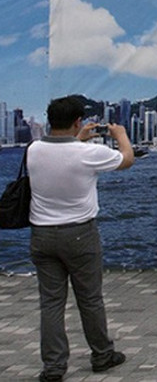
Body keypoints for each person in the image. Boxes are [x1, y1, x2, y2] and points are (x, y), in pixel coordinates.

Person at [28, 96, 135, 382]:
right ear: (78, 121)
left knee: (51, 303)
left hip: (41, 234)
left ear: (51, 120)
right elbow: (127, 160)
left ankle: (53, 368)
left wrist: (78, 138)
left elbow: (63, 153)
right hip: (79, 234)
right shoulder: (90, 153)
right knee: (89, 299)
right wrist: (121, 136)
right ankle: (102, 355)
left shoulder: (33, 149)